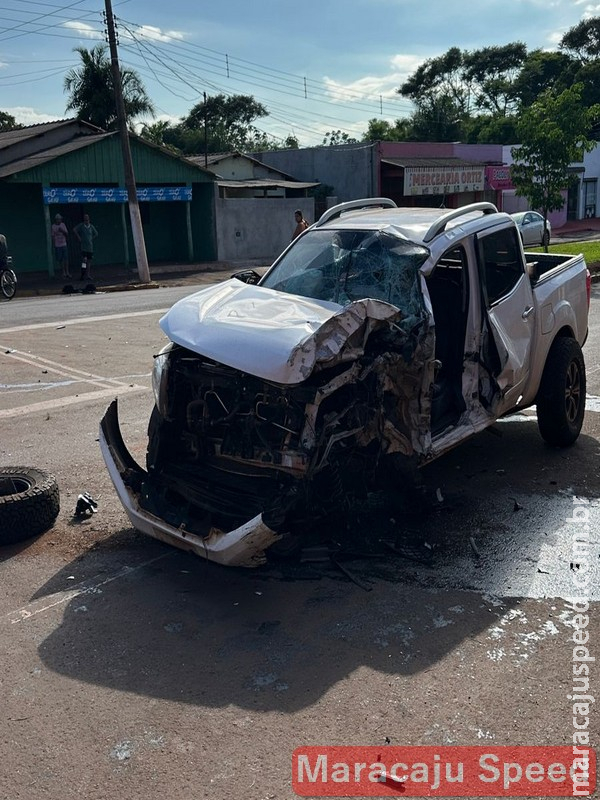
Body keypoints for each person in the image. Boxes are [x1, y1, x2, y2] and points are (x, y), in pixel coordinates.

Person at [74, 214, 98, 281]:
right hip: (84, 247)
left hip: (90, 247)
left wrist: (91, 239)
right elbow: (74, 230)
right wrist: (79, 237)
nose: (86, 221)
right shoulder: (81, 226)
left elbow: (96, 234)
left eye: (87, 219)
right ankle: (83, 274)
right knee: (84, 260)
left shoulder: (91, 226)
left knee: (89, 262)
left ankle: (88, 275)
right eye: (85, 220)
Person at [51, 214, 70, 278]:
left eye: (60, 219)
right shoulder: (53, 226)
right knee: (60, 259)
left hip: (64, 243)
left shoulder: (63, 225)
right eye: (59, 219)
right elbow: (53, 236)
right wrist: (53, 245)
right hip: (57, 244)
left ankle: (67, 272)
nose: (60, 220)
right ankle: (63, 272)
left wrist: (62, 230)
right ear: (56, 219)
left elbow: (67, 233)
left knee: (66, 258)